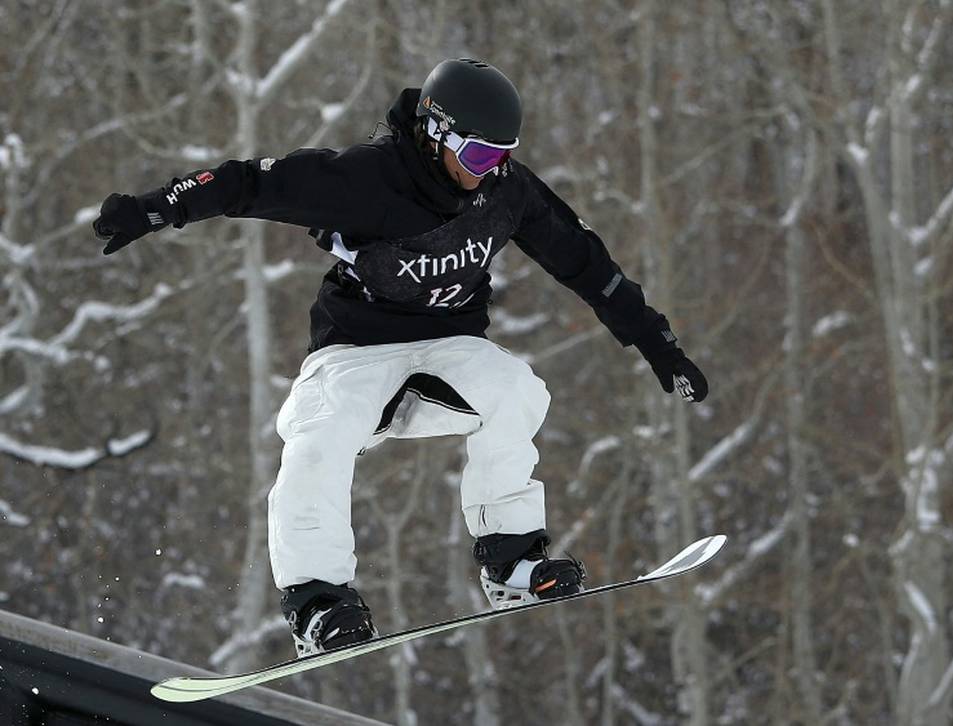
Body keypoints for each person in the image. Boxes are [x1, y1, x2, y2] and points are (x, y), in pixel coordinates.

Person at [91, 58, 708, 657]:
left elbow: (585, 262)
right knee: (320, 434)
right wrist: (157, 206)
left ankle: (512, 561)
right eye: (478, 157)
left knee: (515, 389)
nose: (489, 171)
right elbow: (250, 183)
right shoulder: (368, 179)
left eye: (502, 156)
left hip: (450, 349)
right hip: (356, 350)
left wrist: (658, 343)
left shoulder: (505, 191)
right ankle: (318, 601)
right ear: (438, 135)